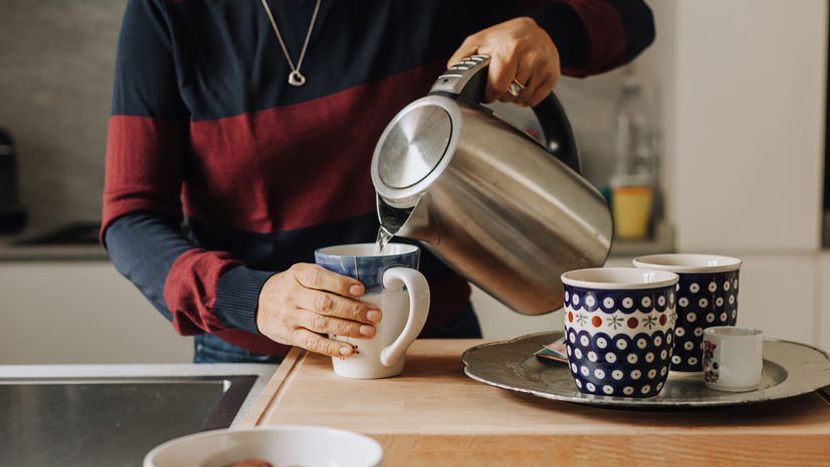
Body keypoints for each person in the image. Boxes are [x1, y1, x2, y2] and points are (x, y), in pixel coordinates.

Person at [102, 0, 655, 364]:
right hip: (252, 352)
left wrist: (542, 32)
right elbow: (130, 216)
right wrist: (253, 296)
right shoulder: (168, 13)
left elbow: (632, 20)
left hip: (433, 344)